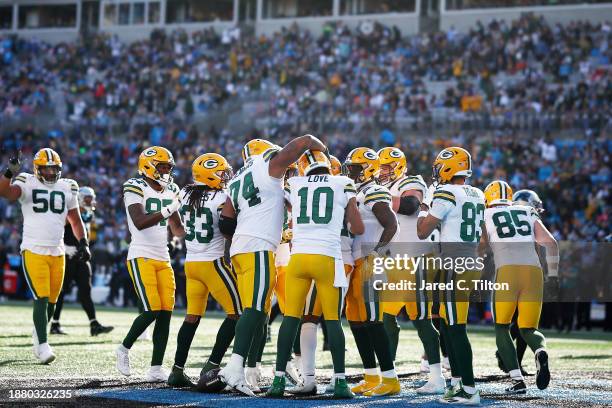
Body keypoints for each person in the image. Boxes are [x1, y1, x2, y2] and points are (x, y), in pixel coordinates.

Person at [217, 135, 328, 396]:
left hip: (240, 249)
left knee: (253, 311)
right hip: (258, 247)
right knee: (256, 311)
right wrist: (321, 149)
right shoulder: (267, 164)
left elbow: (226, 223)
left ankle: (241, 368)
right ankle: (234, 368)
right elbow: (303, 142)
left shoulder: (235, 180)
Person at [266, 150, 363, 398]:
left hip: (298, 258)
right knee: (332, 320)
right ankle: (340, 382)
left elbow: (286, 213)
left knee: (291, 318)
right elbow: (357, 226)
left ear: (303, 166)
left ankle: (278, 381)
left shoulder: (295, 183)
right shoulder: (343, 182)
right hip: (328, 258)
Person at [0, 149, 90, 364]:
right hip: (33, 249)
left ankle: (38, 334)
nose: (50, 173)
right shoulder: (27, 181)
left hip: (57, 250)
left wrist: (84, 243)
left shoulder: (67, 186)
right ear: (37, 169)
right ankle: (42, 345)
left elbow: (76, 221)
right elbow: (5, 193)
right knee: (41, 297)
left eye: (54, 168)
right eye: (46, 168)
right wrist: (8, 173)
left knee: (51, 301)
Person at [166, 153, 242, 387]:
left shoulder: (184, 192)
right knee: (238, 313)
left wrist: (183, 231)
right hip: (214, 262)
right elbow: (229, 227)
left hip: (192, 263)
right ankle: (212, 365)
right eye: (221, 172)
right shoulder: (222, 196)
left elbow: (174, 223)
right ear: (209, 174)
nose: (225, 176)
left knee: (192, 316)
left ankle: (176, 371)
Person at [417, 146, 485, 405]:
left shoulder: (446, 192)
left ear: (448, 167)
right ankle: (458, 382)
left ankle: (470, 389)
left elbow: (423, 231)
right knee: (447, 323)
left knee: (456, 327)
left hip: (454, 262)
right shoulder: (477, 193)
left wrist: (424, 206)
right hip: (469, 258)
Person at [377, 147, 445, 394]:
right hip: (398, 260)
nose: (381, 171)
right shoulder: (384, 186)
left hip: (416, 258)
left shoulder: (410, 181)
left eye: (385, 167)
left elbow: (410, 205)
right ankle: (388, 374)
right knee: (386, 316)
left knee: (421, 319)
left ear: (396, 166)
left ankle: (437, 377)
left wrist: (379, 198)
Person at [115, 146, 185, 381]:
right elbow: (139, 222)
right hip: (141, 254)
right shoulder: (134, 186)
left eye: (168, 166)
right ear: (148, 166)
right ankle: (123, 348)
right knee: (151, 309)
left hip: (163, 256)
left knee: (166, 311)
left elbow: (176, 227)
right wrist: (168, 209)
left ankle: (156, 367)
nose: (166, 171)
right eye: (161, 166)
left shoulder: (171, 189)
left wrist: (183, 236)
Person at [482, 185, 558, 393]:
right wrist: (553, 275)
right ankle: (540, 350)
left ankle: (517, 381)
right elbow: (551, 243)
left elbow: (480, 246)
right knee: (529, 329)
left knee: (501, 327)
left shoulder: (486, 213)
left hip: (507, 271)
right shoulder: (527, 211)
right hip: (534, 272)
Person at [343, 147, 401, 397]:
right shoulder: (356, 191)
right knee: (357, 321)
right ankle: (370, 375)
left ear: (367, 168)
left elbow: (392, 224)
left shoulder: (375, 191)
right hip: (356, 261)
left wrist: (378, 252)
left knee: (374, 321)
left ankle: (390, 379)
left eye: (354, 167)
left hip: (370, 260)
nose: (350, 171)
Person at [50, 186, 113, 336]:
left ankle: (94, 324)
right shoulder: (70, 212)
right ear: (79, 199)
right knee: (60, 292)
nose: (90, 201)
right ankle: (54, 323)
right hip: (66, 256)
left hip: (81, 258)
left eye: (91, 198)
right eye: (87, 198)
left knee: (86, 291)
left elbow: (89, 236)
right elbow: (54, 231)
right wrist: (64, 247)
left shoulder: (89, 215)